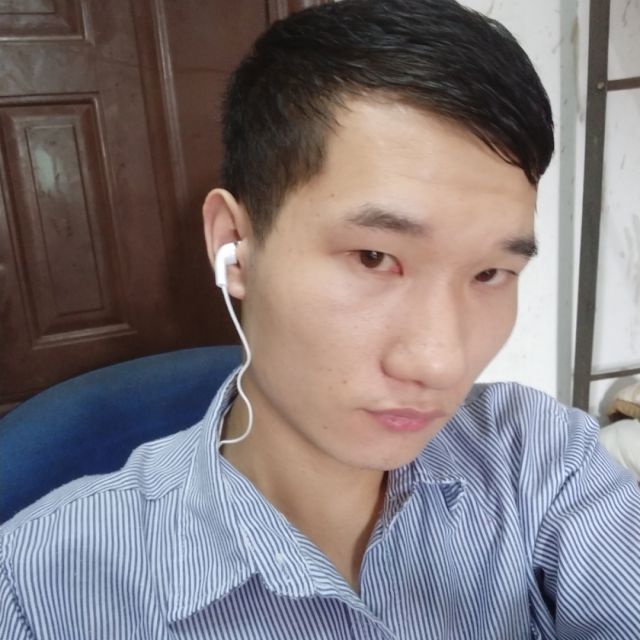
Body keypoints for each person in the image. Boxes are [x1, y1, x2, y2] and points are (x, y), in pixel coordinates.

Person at [1, 0, 639, 637]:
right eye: (374, 257)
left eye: (491, 273)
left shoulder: (543, 460)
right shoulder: (35, 593)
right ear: (235, 246)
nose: (441, 362)